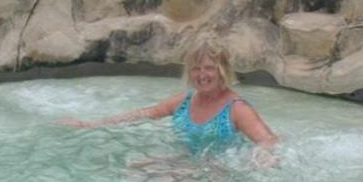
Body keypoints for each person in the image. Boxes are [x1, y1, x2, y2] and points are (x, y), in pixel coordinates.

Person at [58, 39, 278, 156]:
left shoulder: (237, 109)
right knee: (135, 167)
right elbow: (145, 114)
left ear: (223, 71)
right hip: (188, 164)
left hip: (219, 172)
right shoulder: (184, 101)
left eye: (209, 68)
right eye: (196, 68)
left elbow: (269, 140)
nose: (202, 75)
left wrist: (262, 156)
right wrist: (91, 124)